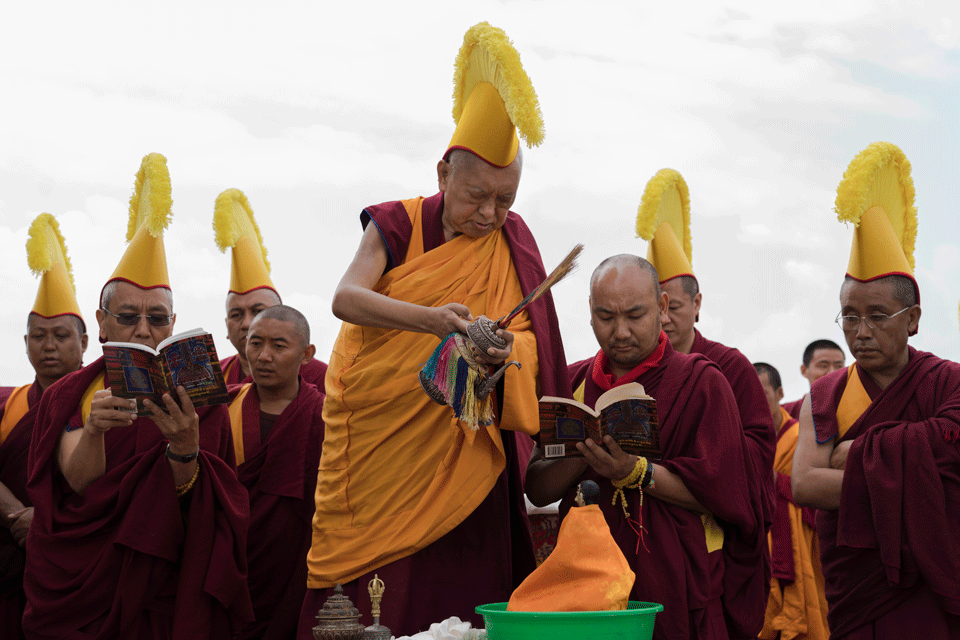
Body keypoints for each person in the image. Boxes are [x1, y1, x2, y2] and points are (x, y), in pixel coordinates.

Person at [297, 22, 569, 638]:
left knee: (461, 604)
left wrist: (505, 353)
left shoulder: (513, 242)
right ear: (443, 173)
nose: (490, 215)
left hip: (464, 451)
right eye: (477, 196)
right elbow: (346, 297)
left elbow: (534, 343)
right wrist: (434, 321)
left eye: (504, 200)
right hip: (379, 441)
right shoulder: (396, 223)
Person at [23, 153, 253, 639]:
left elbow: (203, 512)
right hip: (83, 587)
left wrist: (185, 449)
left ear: (174, 321)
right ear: (101, 322)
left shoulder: (205, 399)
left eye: (158, 317)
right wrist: (94, 432)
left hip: (163, 584)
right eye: (128, 317)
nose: (144, 329)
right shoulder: (73, 393)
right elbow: (80, 487)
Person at [527, 255, 760, 640]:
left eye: (635, 316)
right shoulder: (572, 384)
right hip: (588, 581)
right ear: (589, 311)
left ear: (662, 308)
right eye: (606, 316)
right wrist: (583, 453)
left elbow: (726, 494)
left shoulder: (701, 382)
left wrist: (635, 472)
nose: (620, 332)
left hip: (676, 578)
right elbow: (537, 488)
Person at [793, 142, 960, 638]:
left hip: (934, 586)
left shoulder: (948, 384)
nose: (860, 331)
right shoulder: (825, 395)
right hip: (861, 594)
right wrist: (906, 474)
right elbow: (804, 485)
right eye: (849, 315)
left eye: (876, 316)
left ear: (912, 320)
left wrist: (849, 454)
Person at [636, 168, 774, 638]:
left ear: (698, 305)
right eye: (656, 305)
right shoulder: (628, 366)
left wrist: (700, 467)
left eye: (675, 305)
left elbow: (756, 458)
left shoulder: (728, 367)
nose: (665, 317)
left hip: (710, 540)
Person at [0, 214, 88, 639]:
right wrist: (16, 514)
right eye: (38, 336)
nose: (48, 346)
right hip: (8, 562)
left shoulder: (103, 401)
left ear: (84, 343)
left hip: (77, 567)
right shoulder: (6, 404)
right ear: (25, 343)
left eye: (60, 335)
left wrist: (47, 521)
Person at [227, 305, 324, 640]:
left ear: (307, 354)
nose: (264, 356)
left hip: (295, 566)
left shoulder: (324, 416)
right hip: (230, 565)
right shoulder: (222, 409)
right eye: (255, 344)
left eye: (278, 346)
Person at [214, 189, 327, 388]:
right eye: (236, 314)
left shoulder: (321, 377)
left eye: (258, 311)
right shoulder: (215, 378)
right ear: (226, 325)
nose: (247, 323)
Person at [754, 362, 829, 640]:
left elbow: (814, 496)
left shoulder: (800, 437)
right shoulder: (741, 438)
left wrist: (771, 479)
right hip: (758, 541)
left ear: (780, 393)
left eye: (764, 394)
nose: (757, 403)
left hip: (801, 542)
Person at [781, 340, 846, 420]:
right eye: (823, 366)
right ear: (804, 370)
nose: (832, 372)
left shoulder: (859, 407)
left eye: (839, 366)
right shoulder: (785, 413)